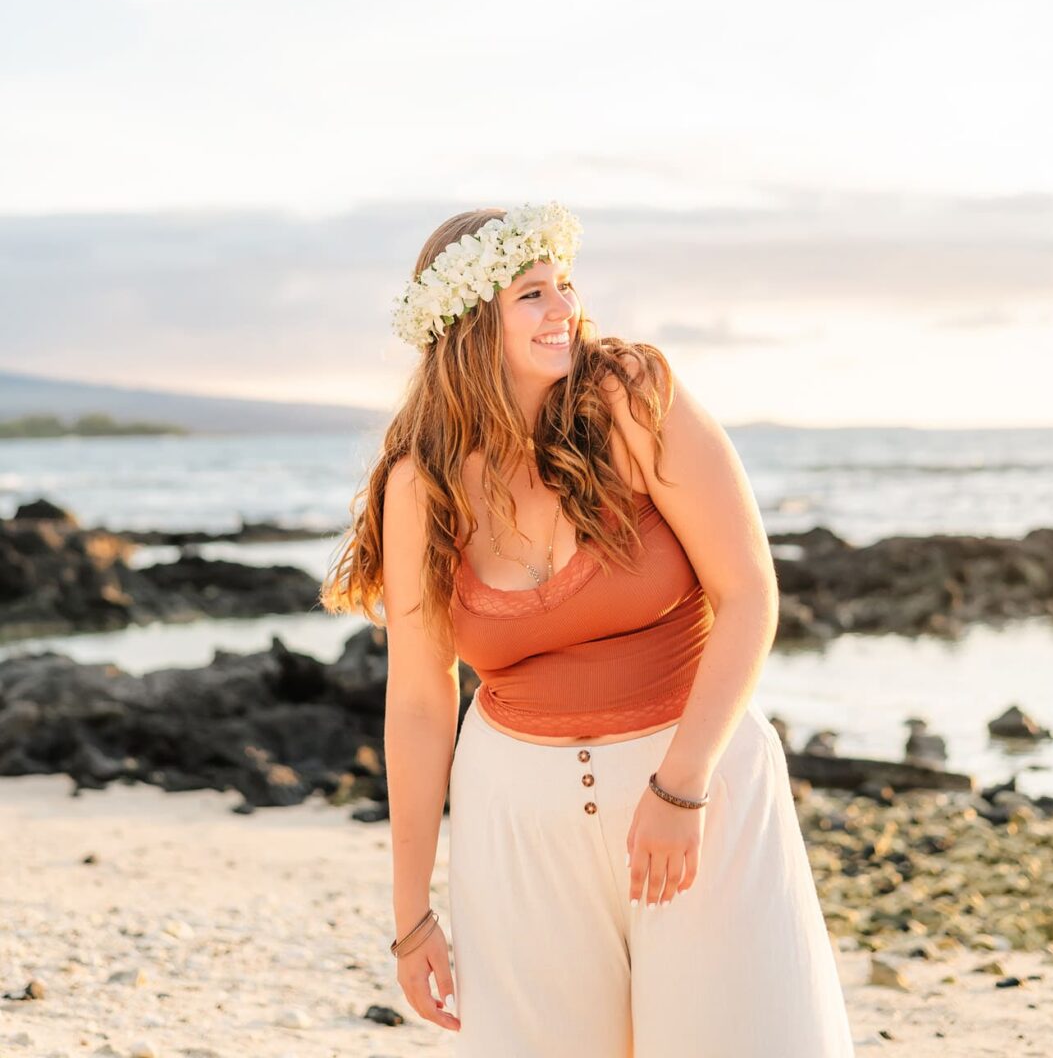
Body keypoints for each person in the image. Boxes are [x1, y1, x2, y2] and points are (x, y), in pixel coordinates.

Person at [320, 202, 855, 1057]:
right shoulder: (422, 487)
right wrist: (411, 915)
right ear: (466, 321)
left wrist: (682, 788)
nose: (565, 306)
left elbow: (750, 593)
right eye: (533, 292)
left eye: (565, 284)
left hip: (696, 788)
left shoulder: (634, 400)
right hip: (518, 821)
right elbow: (421, 701)